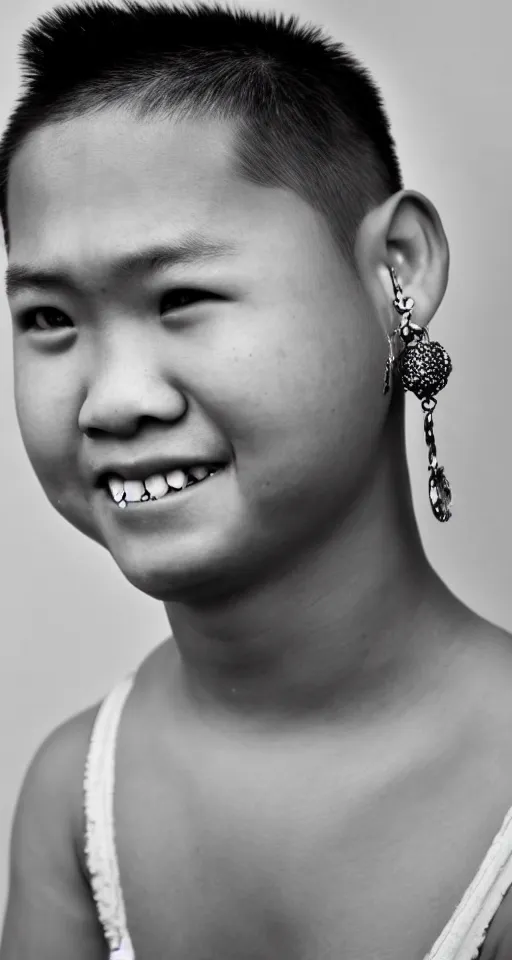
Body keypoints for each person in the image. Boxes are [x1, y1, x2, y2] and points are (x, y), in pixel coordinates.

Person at [1, 1, 512, 958]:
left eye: (180, 297)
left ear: (396, 268)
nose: (111, 402)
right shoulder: (75, 799)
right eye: (48, 319)